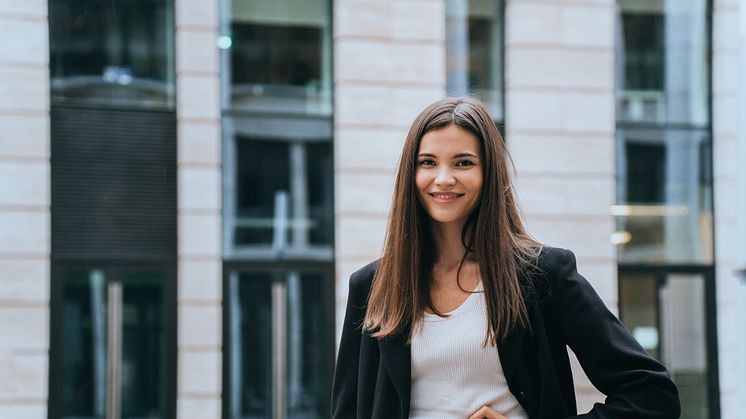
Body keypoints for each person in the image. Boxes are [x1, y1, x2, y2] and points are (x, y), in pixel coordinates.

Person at [331, 97, 680, 419]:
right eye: (428, 163)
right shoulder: (372, 287)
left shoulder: (543, 276)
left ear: (489, 174)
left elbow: (652, 394)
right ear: (412, 174)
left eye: (463, 163)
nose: (443, 178)